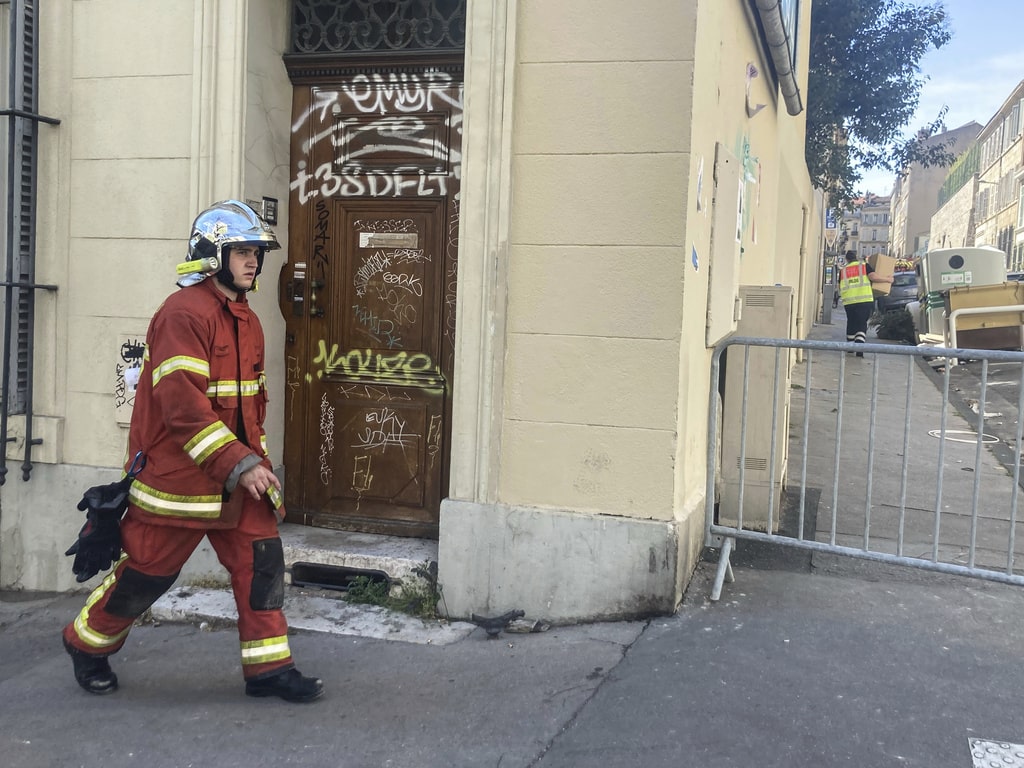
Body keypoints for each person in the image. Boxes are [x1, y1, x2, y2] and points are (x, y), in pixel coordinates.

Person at [61, 200, 323, 703]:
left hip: (238, 484)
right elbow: (183, 410)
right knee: (145, 577)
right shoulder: (183, 314)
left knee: (261, 566)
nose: (252, 261)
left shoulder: (247, 319)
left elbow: (250, 411)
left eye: (255, 252)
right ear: (212, 255)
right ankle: (86, 644)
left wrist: (259, 467)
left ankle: (270, 669)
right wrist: (241, 464)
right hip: (176, 484)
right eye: (241, 251)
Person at [838, 250, 893, 356]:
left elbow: (840, 286)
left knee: (851, 323)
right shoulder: (863, 266)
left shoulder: (843, 271)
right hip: (864, 300)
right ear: (856, 257)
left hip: (849, 302)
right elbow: (873, 277)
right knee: (861, 323)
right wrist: (887, 280)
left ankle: (850, 346)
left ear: (847, 259)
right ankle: (859, 349)